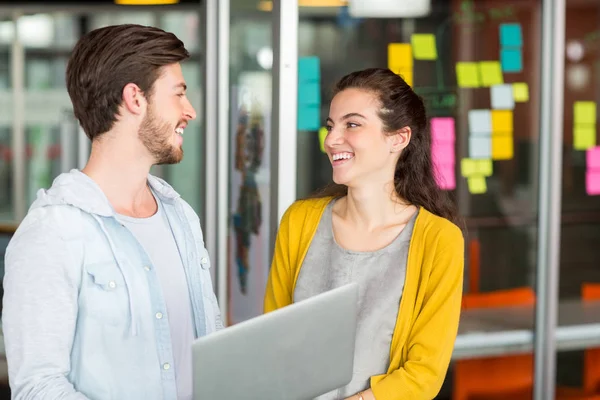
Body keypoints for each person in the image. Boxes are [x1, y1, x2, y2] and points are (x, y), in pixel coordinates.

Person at [2, 24, 222, 400]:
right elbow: (38, 387)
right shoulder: (52, 232)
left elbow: (208, 350)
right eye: (179, 94)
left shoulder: (180, 215)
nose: (190, 111)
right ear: (135, 98)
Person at [264, 68, 464, 400]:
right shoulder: (299, 221)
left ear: (399, 138)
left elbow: (424, 373)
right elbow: (271, 339)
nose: (331, 139)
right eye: (330, 126)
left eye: (352, 124)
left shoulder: (439, 240)